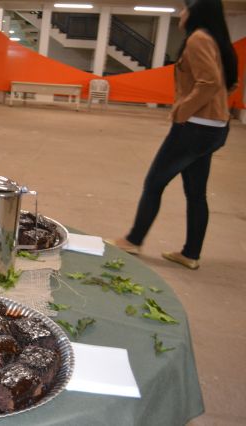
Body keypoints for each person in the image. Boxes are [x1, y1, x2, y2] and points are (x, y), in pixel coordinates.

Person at [108, 0, 238, 270]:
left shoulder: (198, 39)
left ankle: (133, 240)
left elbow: (209, 82)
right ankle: (190, 254)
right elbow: (227, 83)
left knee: (154, 183)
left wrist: (181, 111)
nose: (182, 13)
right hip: (213, 128)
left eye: (185, 8)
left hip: (195, 128)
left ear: (197, 12)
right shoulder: (216, 40)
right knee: (196, 193)